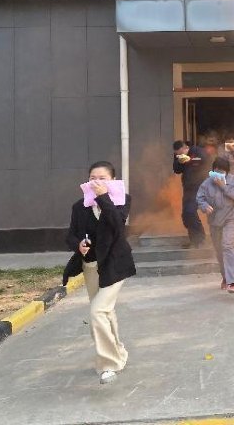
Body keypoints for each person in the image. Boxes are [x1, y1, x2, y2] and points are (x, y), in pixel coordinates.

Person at [65, 161, 135, 384]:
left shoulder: (122, 200)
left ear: (112, 180)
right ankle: (118, 351)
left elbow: (117, 226)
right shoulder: (79, 206)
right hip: (91, 266)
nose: (96, 182)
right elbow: (71, 235)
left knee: (97, 311)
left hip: (114, 265)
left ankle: (108, 364)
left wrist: (104, 197)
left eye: (102, 178)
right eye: (92, 178)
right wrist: (78, 245)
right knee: (106, 312)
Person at [196, 156, 234, 293]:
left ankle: (233, 282)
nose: (219, 174)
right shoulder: (206, 184)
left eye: (222, 171)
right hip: (214, 220)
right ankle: (226, 277)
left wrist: (223, 187)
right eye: (217, 171)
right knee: (219, 250)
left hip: (230, 218)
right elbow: (199, 198)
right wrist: (204, 206)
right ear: (213, 170)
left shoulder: (233, 181)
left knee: (227, 245)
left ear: (227, 172)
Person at [173, 140, 209, 248]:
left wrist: (190, 159)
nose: (179, 155)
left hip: (199, 187)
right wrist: (179, 162)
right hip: (188, 188)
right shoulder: (178, 156)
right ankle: (194, 240)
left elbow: (206, 161)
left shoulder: (197, 151)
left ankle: (200, 239)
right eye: (177, 154)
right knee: (186, 215)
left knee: (190, 211)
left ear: (185, 148)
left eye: (180, 152)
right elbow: (176, 170)